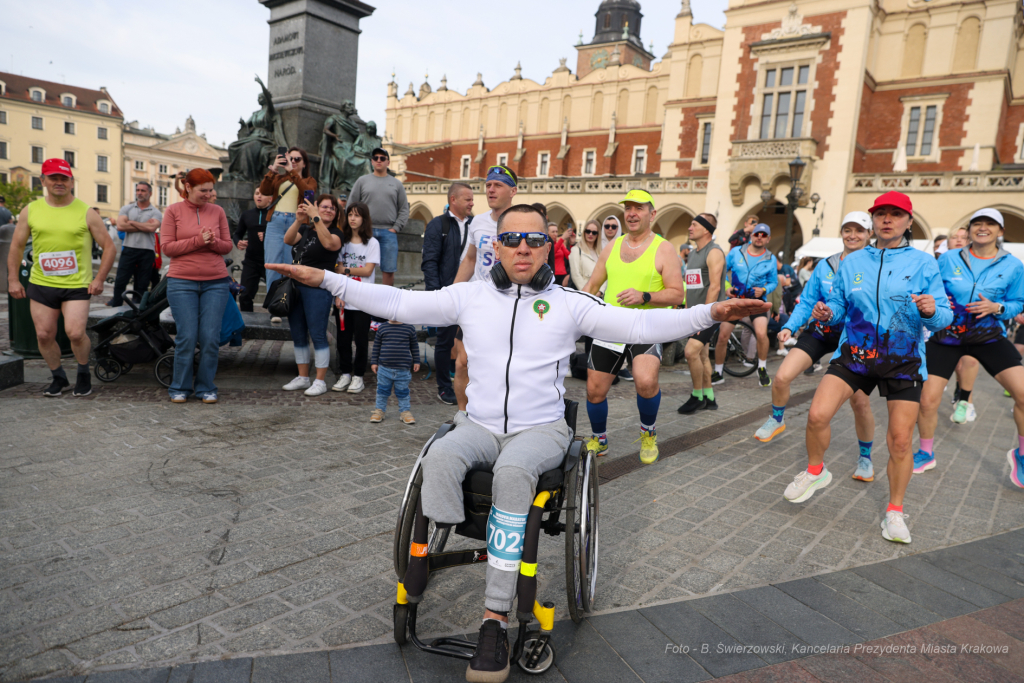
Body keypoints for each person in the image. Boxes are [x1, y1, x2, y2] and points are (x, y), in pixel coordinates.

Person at [267, 204, 768, 683]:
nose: (522, 248)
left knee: (512, 477)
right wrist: (328, 279)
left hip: (540, 430)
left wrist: (709, 312)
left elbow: (639, 324)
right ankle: (425, 555)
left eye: (534, 239)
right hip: (479, 425)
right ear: (496, 247)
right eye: (511, 239)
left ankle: (494, 619)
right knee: (437, 457)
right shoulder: (470, 296)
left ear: (548, 246)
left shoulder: (571, 304)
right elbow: (400, 302)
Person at [789, 191, 952, 545]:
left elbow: (944, 317)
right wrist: (827, 312)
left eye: (896, 214)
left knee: (899, 441)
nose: (887, 220)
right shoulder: (853, 262)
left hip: (903, 358)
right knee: (817, 415)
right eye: (881, 214)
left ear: (909, 221)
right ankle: (815, 471)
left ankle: (895, 511)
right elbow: (838, 303)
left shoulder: (924, 264)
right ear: (873, 220)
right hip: (855, 355)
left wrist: (929, 310)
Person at [754, 213, 878, 480]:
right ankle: (777, 419)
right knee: (782, 377)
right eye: (847, 229)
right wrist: (790, 326)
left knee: (860, 402)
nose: (853, 235)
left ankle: (865, 458)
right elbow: (808, 301)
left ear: (870, 235)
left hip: (853, 338)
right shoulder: (827, 265)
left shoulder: (874, 266)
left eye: (859, 230)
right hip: (821, 331)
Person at [912, 209, 1024, 491]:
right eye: (977, 223)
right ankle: (926, 452)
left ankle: (1021, 455)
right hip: (947, 336)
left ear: (1000, 231)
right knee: (927, 400)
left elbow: (1018, 303)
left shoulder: (1013, 266)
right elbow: (930, 289)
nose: (982, 228)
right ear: (970, 229)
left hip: (988, 336)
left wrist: (997, 308)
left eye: (990, 224)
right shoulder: (948, 259)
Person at [583, 190, 686, 464]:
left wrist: (645, 296)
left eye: (638, 208)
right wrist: (574, 313)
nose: (631, 213)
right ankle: (600, 439)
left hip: (645, 326)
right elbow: (592, 286)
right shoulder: (612, 246)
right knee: (594, 390)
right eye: (628, 207)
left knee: (646, 381)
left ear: (651, 214)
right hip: (610, 326)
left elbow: (678, 294)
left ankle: (648, 433)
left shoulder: (663, 248)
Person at [6, 158, 115, 397]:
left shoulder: (86, 212)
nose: (59, 182)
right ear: (43, 180)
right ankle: (59, 377)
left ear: (71, 182)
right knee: (44, 334)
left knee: (75, 333)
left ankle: (84, 372)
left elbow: (109, 246)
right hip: (42, 283)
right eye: (53, 178)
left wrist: (99, 279)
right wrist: (13, 280)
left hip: (77, 285)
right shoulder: (31, 210)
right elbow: (15, 246)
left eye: (63, 178)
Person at [161, 169, 234, 403]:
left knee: (211, 337)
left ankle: (206, 387)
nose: (209, 194)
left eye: (211, 190)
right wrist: (197, 241)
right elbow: (167, 248)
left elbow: (227, 247)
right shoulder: (172, 211)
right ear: (188, 187)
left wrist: (213, 242)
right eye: (204, 190)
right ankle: (179, 387)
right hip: (182, 282)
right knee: (187, 336)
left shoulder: (218, 211)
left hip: (216, 282)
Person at [452, 165, 518, 410]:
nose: (490, 190)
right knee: (462, 363)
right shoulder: (477, 222)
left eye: (497, 185)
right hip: (477, 302)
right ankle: (462, 414)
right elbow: (470, 259)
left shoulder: (521, 221)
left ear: (513, 191)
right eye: (488, 185)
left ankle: (498, 413)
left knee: (502, 365)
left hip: (509, 304)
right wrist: (453, 292)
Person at [281, 195, 344, 397]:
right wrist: (299, 220)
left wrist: (315, 217)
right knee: (298, 333)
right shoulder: (306, 230)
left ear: (336, 214)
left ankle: (320, 381)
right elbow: (288, 240)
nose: (328, 210)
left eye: (332, 208)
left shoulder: (336, 233)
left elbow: (329, 245)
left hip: (318, 288)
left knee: (317, 334)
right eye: (323, 207)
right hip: (296, 287)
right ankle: (302, 377)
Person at [421, 182, 473, 405]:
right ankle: (444, 387)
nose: (472, 203)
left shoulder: (476, 225)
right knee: (444, 342)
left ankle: (470, 386)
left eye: (472, 199)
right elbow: (429, 262)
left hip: (472, 294)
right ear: (453, 200)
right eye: (467, 199)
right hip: (447, 293)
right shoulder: (438, 225)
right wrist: (436, 294)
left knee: (471, 341)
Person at [714, 223, 778, 387]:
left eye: (764, 236)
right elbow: (721, 272)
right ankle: (718, 372)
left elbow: (773, 282)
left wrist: (763, 289)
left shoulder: (770, 258)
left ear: (768, 239)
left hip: (757, 302)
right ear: (752, 235)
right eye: (757, 234)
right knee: (722, 336)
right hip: (736, 300)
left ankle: (762, 368)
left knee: (761, 334)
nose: (759, 237)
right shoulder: (736, 252)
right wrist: (727, 288)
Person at [678, 214, 725, 414]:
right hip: (695, 313)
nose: (689, 227)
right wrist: (688, 311)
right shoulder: (693, 252)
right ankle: (710, 397)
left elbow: (714, 287)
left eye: (694, 224)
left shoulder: (714, 252)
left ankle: (697, 396)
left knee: (690, 352)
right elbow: (692, 285)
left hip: (710, 314)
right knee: (703, 355)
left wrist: (704, 316)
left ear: (706, 229)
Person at [333, 202, 380, 394]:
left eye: (357, 215)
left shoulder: (372, 243)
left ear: (364, 218)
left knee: (361, 340)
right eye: (350, 215)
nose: (352, 218)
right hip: (343, 299)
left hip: (363, 299)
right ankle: (345, 374)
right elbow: (335, 270)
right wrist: (338, 294)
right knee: (343, 339)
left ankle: (358, 376)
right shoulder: (341, 241)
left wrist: (346, 269)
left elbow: (368, 270)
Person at [347, 147, 408, 287]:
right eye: (375, 158)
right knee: (361, 266)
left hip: (389, 231)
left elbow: (404, 208)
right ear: (371, 162)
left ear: (388, 162)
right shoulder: (362, 181)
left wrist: (396, 228)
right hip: (365, 231)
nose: (378, 160)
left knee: (389, 270)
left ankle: (386, 305)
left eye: (382, 158)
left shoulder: (397, 184)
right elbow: (351, 205)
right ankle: (362, 298)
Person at [258, 147, 317, 294]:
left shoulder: (309, 180)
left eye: (297, 159)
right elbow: (264, 191)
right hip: (276, 221)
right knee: (272, 264)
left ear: (304, 164)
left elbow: (308, 193)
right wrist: (274, 170)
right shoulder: (279, 178)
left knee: (292, 265)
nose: (293, 162)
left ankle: (286, 301)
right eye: (291, 158)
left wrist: (292, 172)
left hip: (296, 223)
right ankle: (273, 304)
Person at [940, 226, 980, 422]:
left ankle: (966, 400)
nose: (958, 240)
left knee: (969, 361)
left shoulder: (976, 264)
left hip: (971, 321)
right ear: (948, 242)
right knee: (955, 364)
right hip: (944, 322)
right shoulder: (942, 261)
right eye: (954, 237)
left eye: (963, 238)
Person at [108, 182, 162, 307]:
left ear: (150, 193)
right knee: (121, 280)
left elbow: (152, 228)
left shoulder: (156, 212)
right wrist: (144, 226)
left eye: (143, 190)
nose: (139, 193)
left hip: (147, 250)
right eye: (138, 190)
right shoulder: (127, 208)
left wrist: (131, 222)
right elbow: (121, 226)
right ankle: (116, 306)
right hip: (129, 248)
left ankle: (138, 310)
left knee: (142, 284)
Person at [370, 318, 421, 424]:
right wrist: (374, 362)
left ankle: (405, 412)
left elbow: (414, 346)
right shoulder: (382, 328)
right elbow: (376, 347)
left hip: (403, 369)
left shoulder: (409, 328)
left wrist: (417, 361)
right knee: (382, 391)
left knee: (403, 392)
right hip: (384, 368)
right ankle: (379, 411)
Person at [233, 188, 271, 312]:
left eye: (263, 194)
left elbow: (284, 235)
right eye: (256, 194)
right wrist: (238, 242)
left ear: (270, 198)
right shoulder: (247, 215)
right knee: (244, 294)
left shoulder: (275, 215)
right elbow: (237, 234)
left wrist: (268, 235)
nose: (259, 196)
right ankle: (247, 323)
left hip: (271, 261)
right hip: (251, 261)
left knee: (275, 293)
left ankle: (275, 318)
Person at [569, 220, 601, 290]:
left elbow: (604, 274)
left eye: (594, 232)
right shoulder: (576, 250)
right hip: (583, 294)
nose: (590, 234)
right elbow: (576, 275)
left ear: (598, 235)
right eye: (588, 231)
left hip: (599, 295)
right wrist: (588, 292)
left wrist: (600, 291)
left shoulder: (600, 252)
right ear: (584, 233)